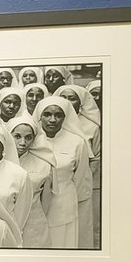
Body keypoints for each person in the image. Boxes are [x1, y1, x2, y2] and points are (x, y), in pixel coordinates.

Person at [34, 95, 92, 248]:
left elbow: (80, 178)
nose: (52, 120)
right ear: (39, 116)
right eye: (47, 114)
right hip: (35, 206)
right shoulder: (31, 140)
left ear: (65, 117)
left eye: (58, 115)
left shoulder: (77, 142)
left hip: (64, 204)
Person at [5, 115, 55, 248]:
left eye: (28, 137)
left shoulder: (44, 164)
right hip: (5, 221)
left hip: (33, 222)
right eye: (17, 136)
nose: (22, 142)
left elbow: (46, 200)